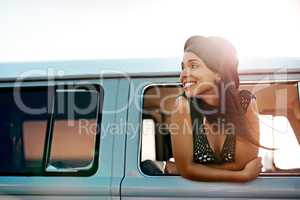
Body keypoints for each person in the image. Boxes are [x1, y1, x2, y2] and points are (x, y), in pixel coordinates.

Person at [168, 35, 267, 182]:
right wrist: (242, 175)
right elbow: (187, 170)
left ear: (218, 73)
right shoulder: (183, 106)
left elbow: (244, 163)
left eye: (193, 66)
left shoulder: (245, 103)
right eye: (183, 67)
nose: (183, 75)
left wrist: (190, 170)